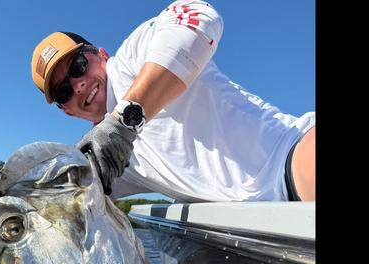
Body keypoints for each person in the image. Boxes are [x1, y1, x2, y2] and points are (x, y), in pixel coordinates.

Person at [29, 1, 315, 202]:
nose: (77, 85)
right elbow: (56, 195)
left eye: (78, 66)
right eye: (64, 92)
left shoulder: (133, 57)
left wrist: (125, 120)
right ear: (66, 111)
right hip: (253, 229)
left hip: (289, 158)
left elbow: (201, 17)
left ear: (102, 55)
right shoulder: (108, 158)